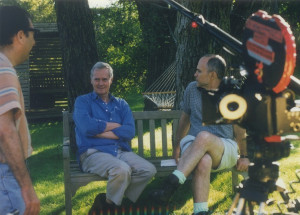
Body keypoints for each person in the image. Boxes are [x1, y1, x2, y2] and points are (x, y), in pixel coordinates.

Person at [150, 54, 250, 215]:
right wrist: (176, 146)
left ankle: (171, 184)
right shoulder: (192, 88)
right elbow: (184, 119)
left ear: (212, 75)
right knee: (203, 158)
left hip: (224, 147)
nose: (195, 74)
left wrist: (244, 155)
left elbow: (240, 131)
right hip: (192, 144)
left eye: (199, 71)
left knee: (203, 136)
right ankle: (200, 211)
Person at [73, 62, 157, 212]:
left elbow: (129, 131)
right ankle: (113, 207)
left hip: (120, 151)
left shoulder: (121, 104)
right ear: (91, 80)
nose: (100, 83)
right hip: (92, 153)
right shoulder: (82, 102)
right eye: (97, 79)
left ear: (111, 80)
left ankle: (108, 202)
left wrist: (99, 132)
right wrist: (116, 125)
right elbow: (87, 127)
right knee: (122, 170)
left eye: (104, 79)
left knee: (148, 170)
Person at [0, 5, 40, 215]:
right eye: (33, 33)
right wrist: (26, 187)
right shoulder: (3, 68)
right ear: (20, 35)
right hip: (6, 173)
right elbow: (5, 131)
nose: (35, 41)